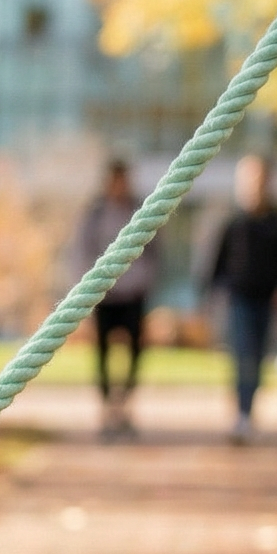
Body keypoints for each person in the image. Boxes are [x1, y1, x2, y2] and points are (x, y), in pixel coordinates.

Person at [205, 154, 277, 441]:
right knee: (241, 354)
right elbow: (217, 264)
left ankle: (248, 411)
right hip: (239, 299)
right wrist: (214, 293)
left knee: (256, 357)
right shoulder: (234, 224)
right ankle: (241, 413)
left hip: (266, 300)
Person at [78, 159, 160, 438]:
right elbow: (83, 249)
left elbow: (154, 250)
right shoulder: (96, 212)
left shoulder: (139, 210)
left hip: (133, 294)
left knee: (135, 352)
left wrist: (142, 280)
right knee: (102, 354)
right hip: (105, 296)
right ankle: (106, 409)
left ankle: (123, 404)